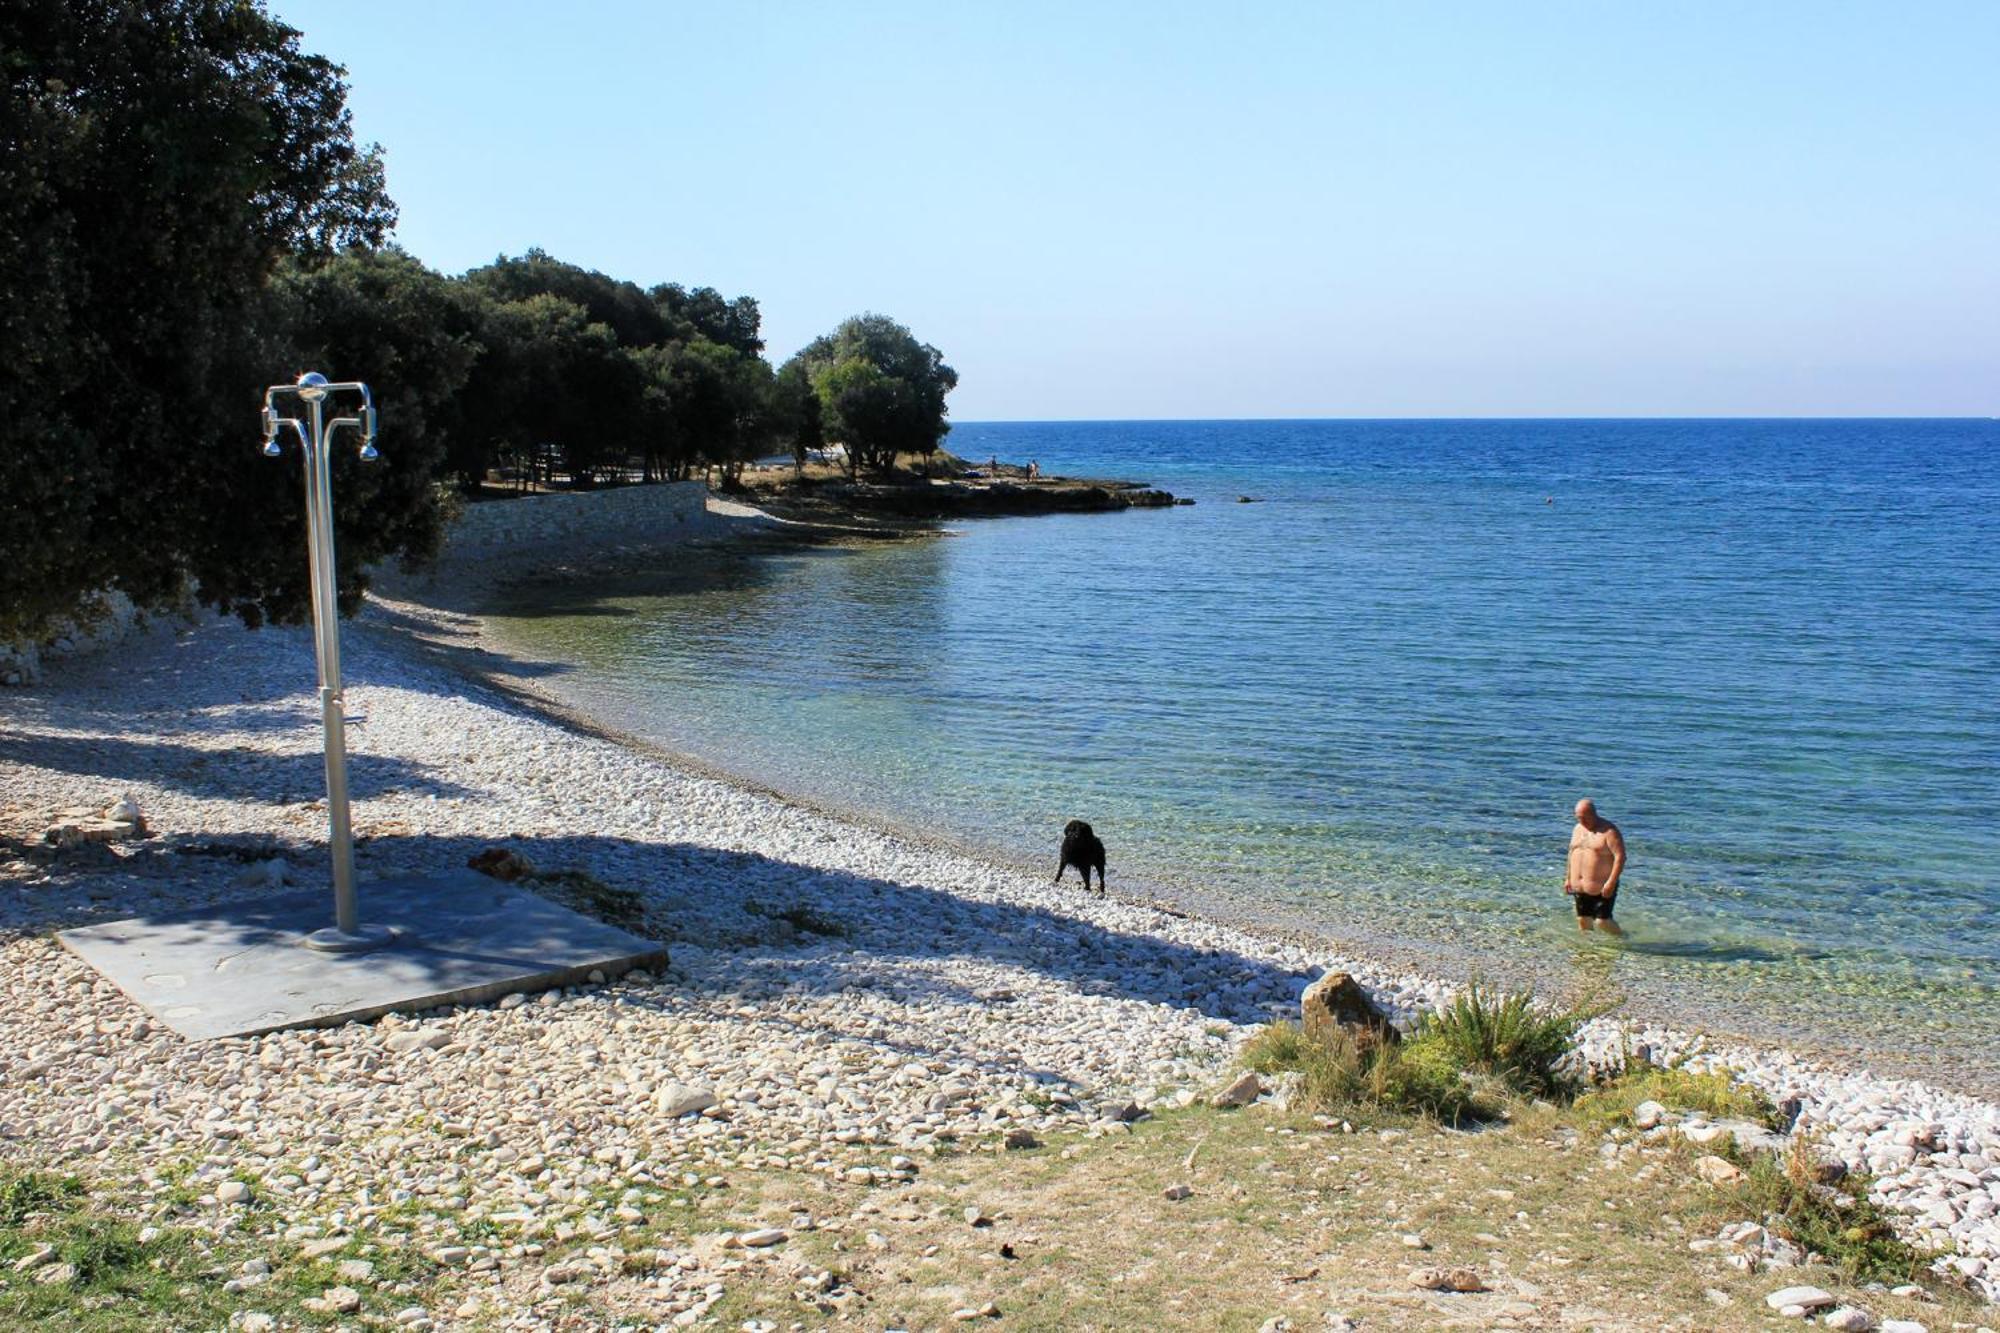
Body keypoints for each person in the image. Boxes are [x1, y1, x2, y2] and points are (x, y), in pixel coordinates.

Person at [1563, 797, 1625, 935]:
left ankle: (1624, 941)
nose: (1582, 821)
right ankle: (1588, 952)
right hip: (1579, 886)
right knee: (1583, 920)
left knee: (1602, 921)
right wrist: (1568, 877)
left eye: (1586, 818)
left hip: (1602, 886)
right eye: (1579, 818)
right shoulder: (1578, 829)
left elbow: (1620, 857)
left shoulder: (1609, 831)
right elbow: (1572, 853)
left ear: (1594, 814)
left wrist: (1611, 882)